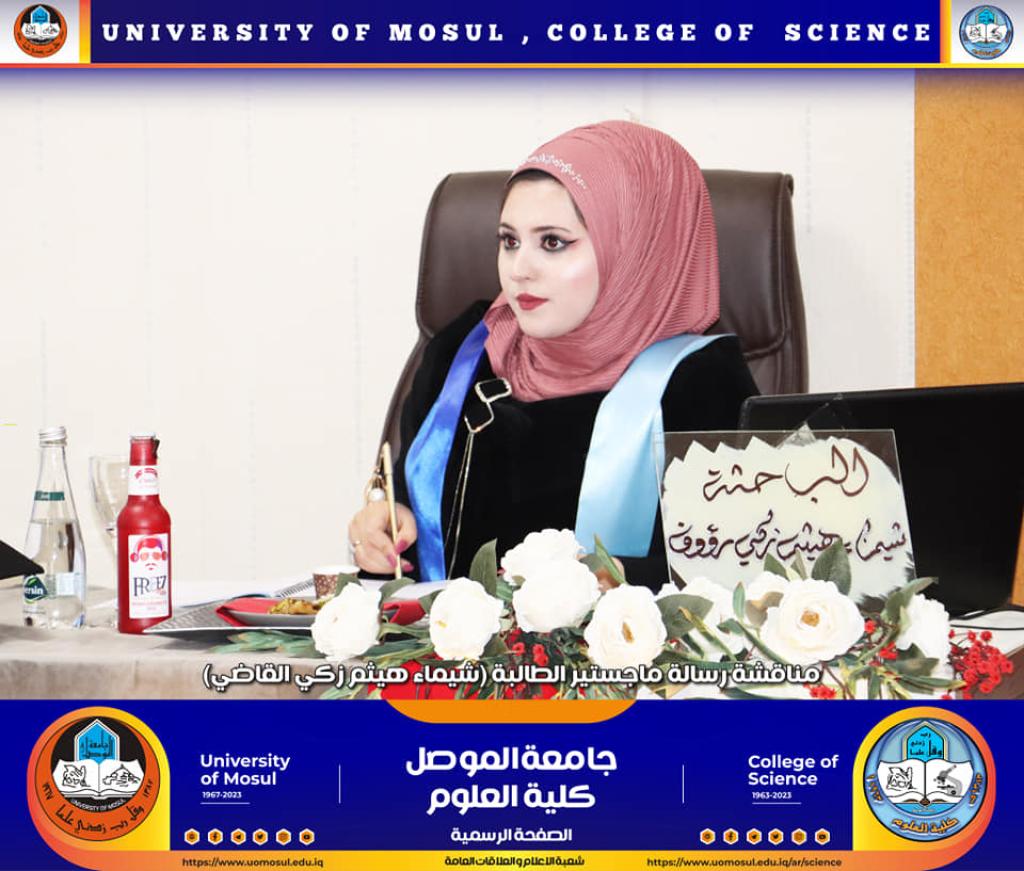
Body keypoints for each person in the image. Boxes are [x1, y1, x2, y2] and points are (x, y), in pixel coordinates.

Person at [348, 120, 758, 590]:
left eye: (552, 242)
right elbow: (412, 530)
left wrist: (624, 578)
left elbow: (736, 574)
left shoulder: (701, 384)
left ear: (636, 246)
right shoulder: (465, 351)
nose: (519, 270)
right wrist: (386, 530)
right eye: (509, 241)